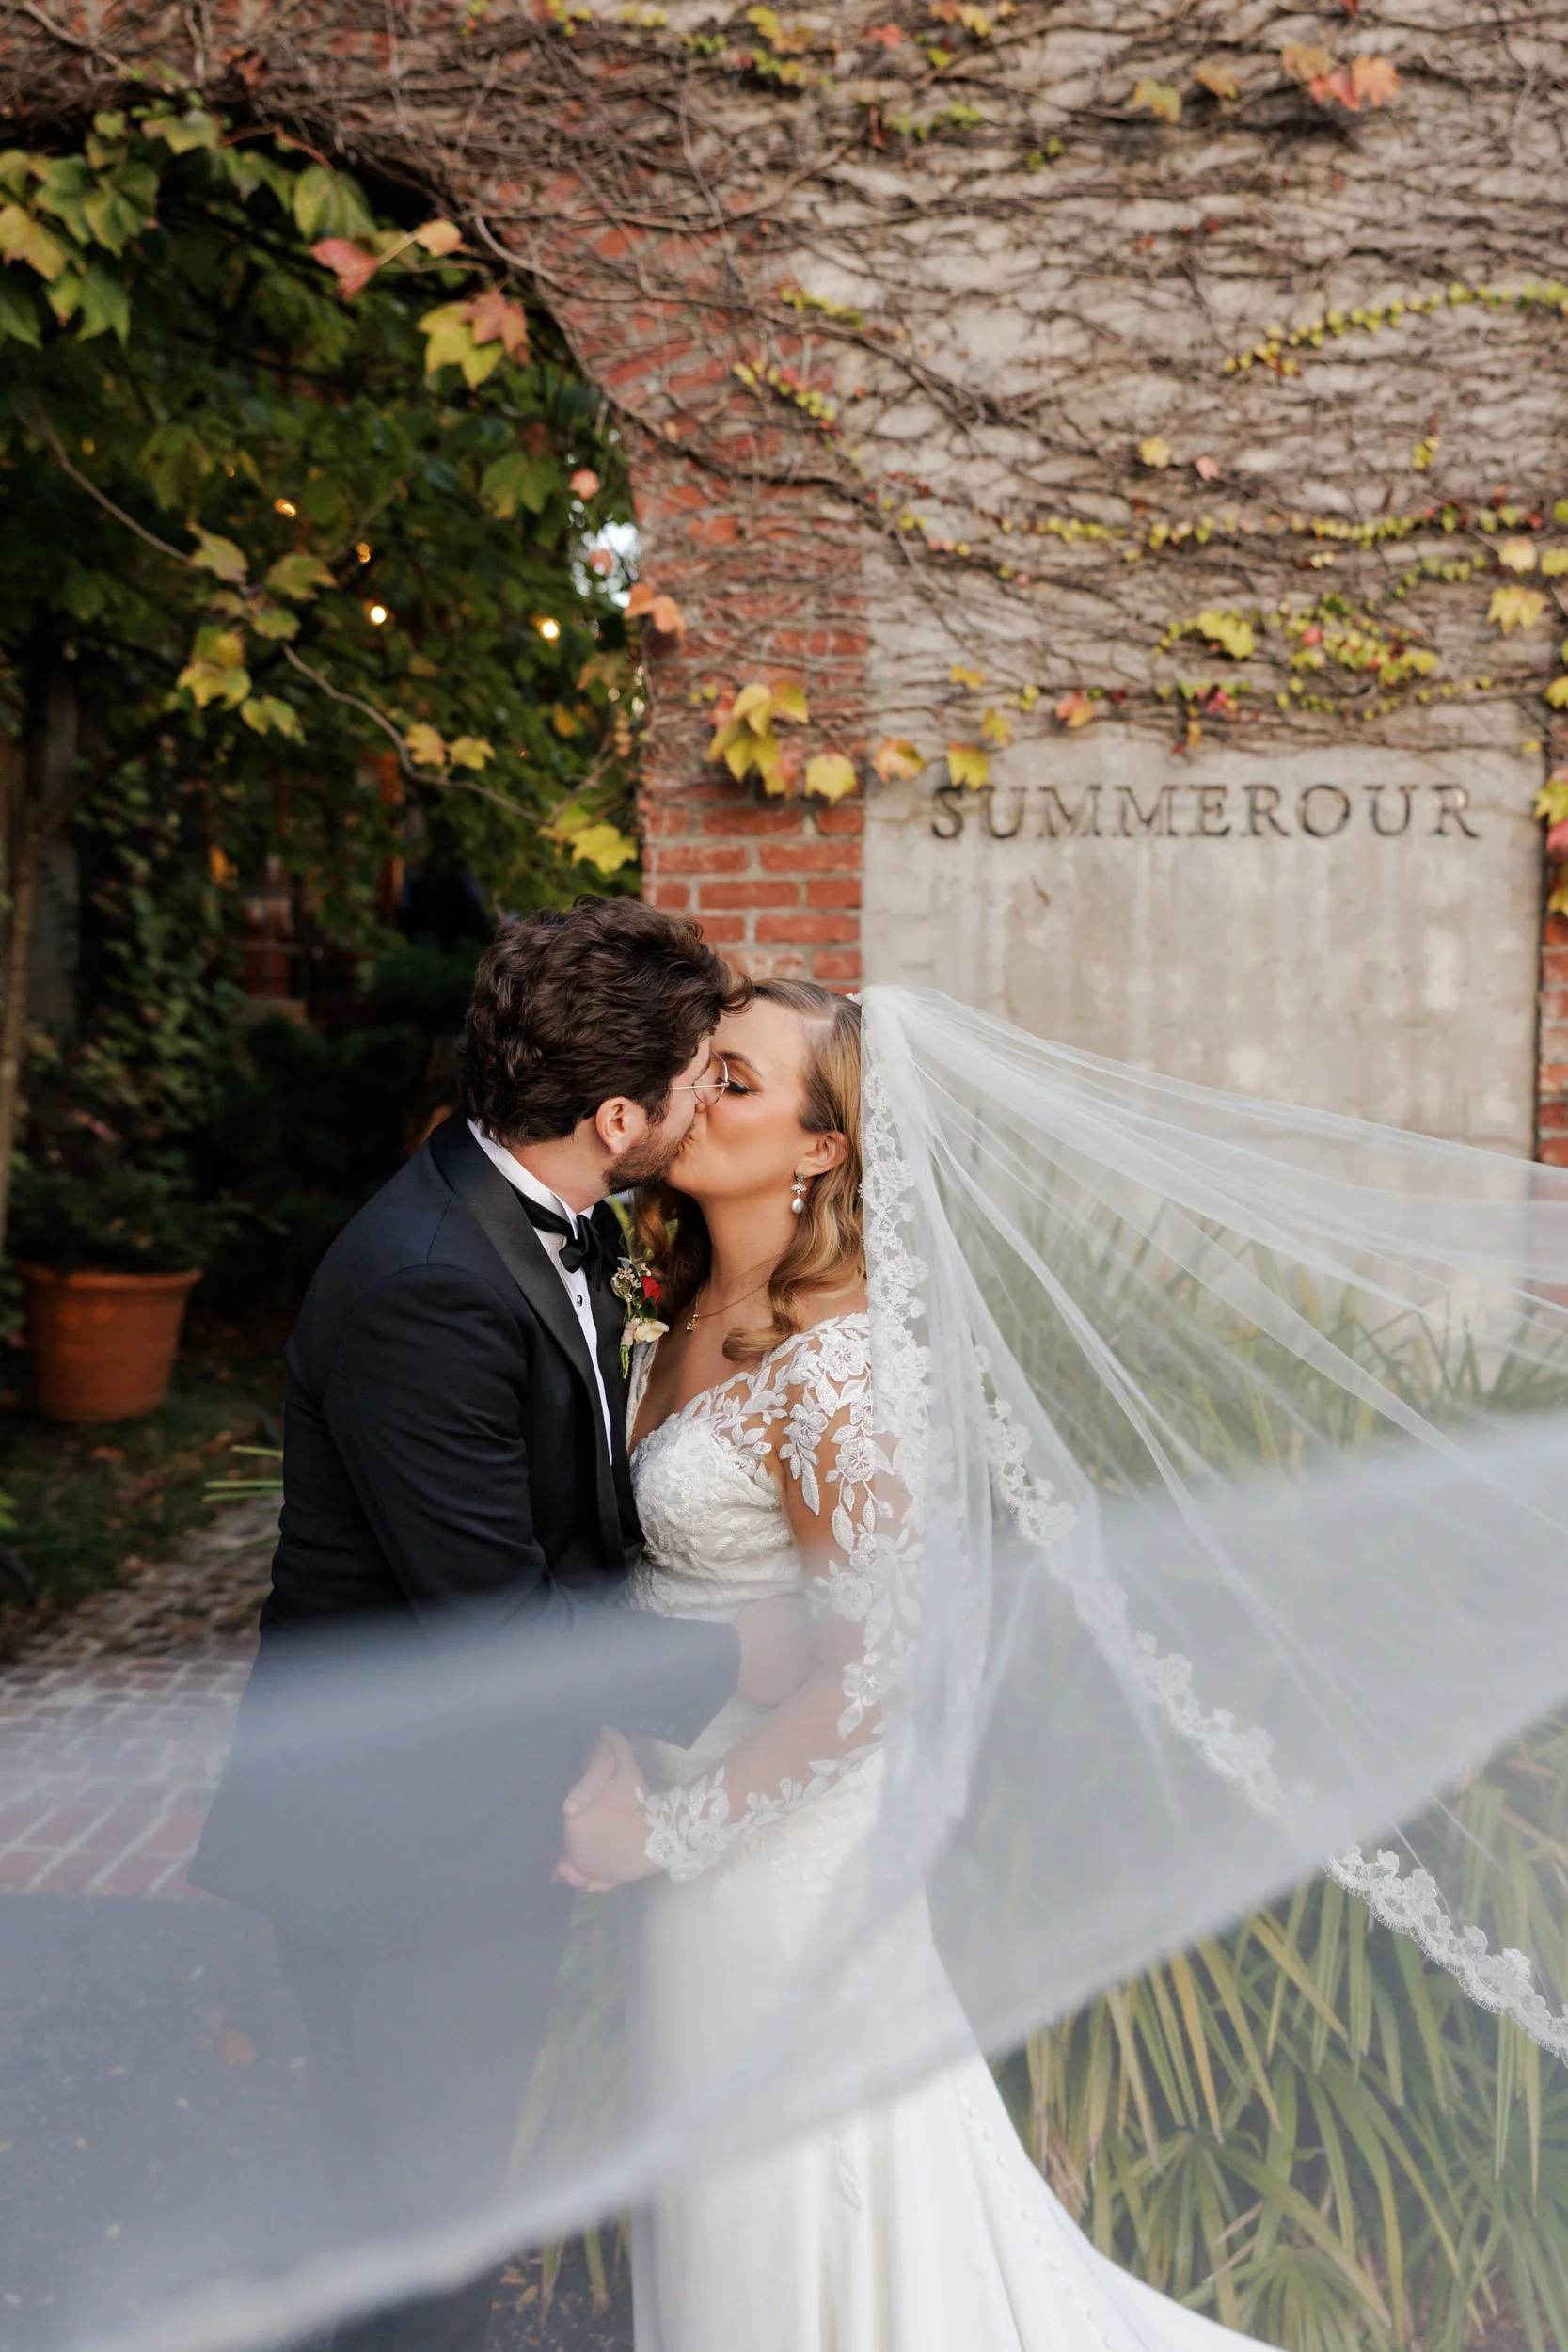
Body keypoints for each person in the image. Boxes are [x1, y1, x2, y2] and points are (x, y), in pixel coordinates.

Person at [555, 978, 1282, 2352]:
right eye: (696, 1068)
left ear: (822, 1149)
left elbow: (875, 1663)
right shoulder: (670, 1310)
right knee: (713, 2193)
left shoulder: (836, 1369)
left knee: (782, 2196)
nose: (691, 1095)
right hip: (675, 1822)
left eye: (735, 1081)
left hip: (775, 1864)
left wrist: (668, 1832)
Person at [191, 900, 814, 2352]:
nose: (699, 1102)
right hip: (400, 1850)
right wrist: (747, 1657)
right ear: (615, 1116)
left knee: (419, 2224)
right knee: (425, 2245)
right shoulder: (428, 1283)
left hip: (469, 1808)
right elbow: (494, 1625)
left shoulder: (538, 1220)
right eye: (689, 1082)